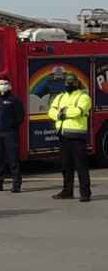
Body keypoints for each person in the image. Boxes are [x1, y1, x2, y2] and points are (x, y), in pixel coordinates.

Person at [48, 74, 92, 202]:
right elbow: (51, 111)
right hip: (63, 135)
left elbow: (79, 111)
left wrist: (63, 113)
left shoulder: (83, 97)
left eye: (71, 82)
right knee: (66, 166)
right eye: (67, 82)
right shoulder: (60, 96)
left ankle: (85, 193)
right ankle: (67, 191)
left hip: (77, 136)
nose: (68, 85)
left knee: (81, 166)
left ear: (76, 83)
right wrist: (61, 114)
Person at [0, 76, 25, 193]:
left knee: (13, 159)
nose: (3, 85)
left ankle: (16, 183)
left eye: (5, 83)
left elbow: (20, 117)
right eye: (1, 83)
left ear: (9, 85)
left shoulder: (15, 100)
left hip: (10, 133)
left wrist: (11, 126)